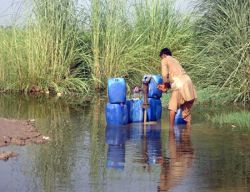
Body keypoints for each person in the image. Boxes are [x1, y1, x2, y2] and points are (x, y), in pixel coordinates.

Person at [157, 48, 197, 130]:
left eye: (161, 57)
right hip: (189, 83)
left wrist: (165, 85)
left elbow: (164, 75)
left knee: (172, 107)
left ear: (164, 55)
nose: (161, 59)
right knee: (186, 112)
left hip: (180, 84)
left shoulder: (165, 59)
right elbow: (175, 75)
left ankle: (171, 130)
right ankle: (187, 133)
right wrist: (167, 87)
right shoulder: (175, 60)